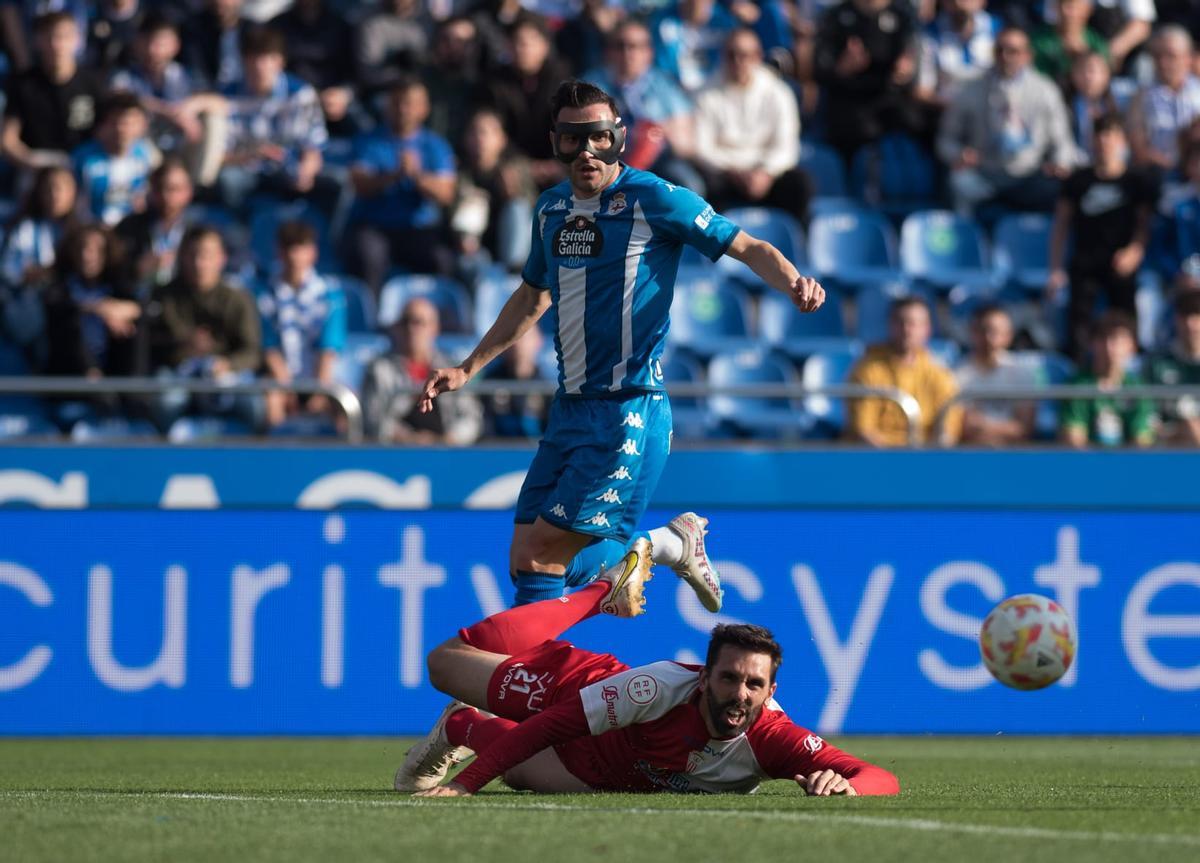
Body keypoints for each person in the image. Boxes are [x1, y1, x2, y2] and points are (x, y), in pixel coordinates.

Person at [419, 79, 825, 610]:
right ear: (555, 142)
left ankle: (659, 547)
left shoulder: (654, 198)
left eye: (598, 137)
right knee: (526, 561)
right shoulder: (550, 209)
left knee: (546, 553)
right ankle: (534, 684)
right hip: (570, 408)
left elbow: (746, 245)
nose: (586, 151)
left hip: (627, 407)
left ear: (619, 137)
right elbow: (531, 298)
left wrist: (795, 280)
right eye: (571, 139)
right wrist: (468, 368)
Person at [394, 571, 900, 796]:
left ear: (770, 692)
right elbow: (549, 725)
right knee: (445, 662)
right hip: (578, 693)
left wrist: (849, 788)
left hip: (599, 772)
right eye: (728, 678)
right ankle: (600, 592)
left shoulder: (773, 739)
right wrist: (463, 787)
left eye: (753, 685)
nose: (739, 694)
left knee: (521, 776)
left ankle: (461, 725)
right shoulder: (655, 689)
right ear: (703, 679)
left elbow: (881, 777)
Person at [1048, 112, 1156, 362]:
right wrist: (1055, 268)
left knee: (1126, 322)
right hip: (1085, 263)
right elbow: (1061, 225)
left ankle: (1130, 371)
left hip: (1120, 264)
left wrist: (1134, 252)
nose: (1105, 142)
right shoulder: (1078, 180)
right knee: (1078, 326)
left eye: (1112, 136)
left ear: (1122, 142)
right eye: (1100, 136)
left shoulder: (1136, 181)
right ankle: (1079, 373)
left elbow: (1143, 224)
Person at [937, 27, 1078, 216]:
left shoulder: (1045, 90)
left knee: (1061, 188)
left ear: (1027, 55)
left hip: (1030, 174)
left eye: (1013, 51)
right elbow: (946, 139)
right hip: (985, 172)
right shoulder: (970, 89)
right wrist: (958, 155)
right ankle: (968, 241)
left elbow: (1062, 141)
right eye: (1000, 50)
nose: (1005, 56)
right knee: (959, 182)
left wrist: (1060, 164)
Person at [345, 77, 457, 291]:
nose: (404, 109)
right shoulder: (368, 141)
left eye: (411, 103)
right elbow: (359, 185)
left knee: (442, 261)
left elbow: (446, 193)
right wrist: (394, 175)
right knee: (366, 257)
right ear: (387, 106)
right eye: (397, 102)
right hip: (375, 226)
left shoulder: (436, 146)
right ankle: (370, 320)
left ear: (424, 109)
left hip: (419, 228)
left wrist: (417, 176)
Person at [150, 225, 262, 427]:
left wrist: (228, 365)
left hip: (227, 372)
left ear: (222, 258)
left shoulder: (237, 299)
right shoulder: (164, 296)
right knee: (166, 402)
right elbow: (152, 344)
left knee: (254, 405)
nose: (199, 263)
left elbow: (252, 351)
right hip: (178, 371)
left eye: (206, 256)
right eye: (192, 255)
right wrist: (185, 346)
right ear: (182, 257)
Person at [212, 26, 331, 214]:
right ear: (243, 61)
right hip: (246, 168)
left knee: (335, 184)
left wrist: (306, 171)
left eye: (267, 58)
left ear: (280, 61)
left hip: (288, 167)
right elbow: (217, 156)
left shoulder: (301, 94)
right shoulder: (227, 97)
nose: (260, 67)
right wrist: (252, 155)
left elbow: (313, 148)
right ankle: (238, 232)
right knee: (227, 181)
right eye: (253, 59)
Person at [692, 28, 806, 221]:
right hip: (726, 173)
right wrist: (734, 171)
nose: (737, 61)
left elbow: (787, 146)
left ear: (757, 56)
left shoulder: (778, 92)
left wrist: (766, 173)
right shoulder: (705, 93)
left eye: (744, 55)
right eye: (731, 55)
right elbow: (702, 147)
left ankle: (795, 245)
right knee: (703, 190)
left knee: (800, 185)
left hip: (767, 173)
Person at [583, 19, 704, 192]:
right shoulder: (591, 85)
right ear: (608, 51)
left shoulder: (665, 86)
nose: (627, 53)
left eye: (635, 46)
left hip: (660, 164)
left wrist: (662, 132)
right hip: (605, 162)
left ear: (648, 52)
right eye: (620, 46)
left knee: (689, 184)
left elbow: (686, 144)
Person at [257, 220, 346, 429]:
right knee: (271, 400)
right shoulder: (264, 294)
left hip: (323, 379)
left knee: (345, 406)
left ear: (313, 252)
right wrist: (287, 389)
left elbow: (329, 349)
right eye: (289, 247)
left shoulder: (330, 294)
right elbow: (269, 347)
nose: (294, 255)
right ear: (279, 251)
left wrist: (319, 391)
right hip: (282, 380)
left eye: (301, 247)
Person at [813, 0, 926, 162]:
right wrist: (841, 68)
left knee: (915, 123)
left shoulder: (902, 16)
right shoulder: (836, 16)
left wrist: (905, 72)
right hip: (848, 101)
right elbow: (819, 69)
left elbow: (912, 58)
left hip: (890, 99)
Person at [362, 297, 482, 445]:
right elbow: (372, 418)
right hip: (396, 454)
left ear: (434, 328)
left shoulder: (452, 369)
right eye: (405, 322)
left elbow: (471, 417)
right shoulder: (379, 370)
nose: (411, 329)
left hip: (447, 454)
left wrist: (448, 440)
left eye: (418, 322)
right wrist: (409, 439)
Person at [847, 296, 963, 446]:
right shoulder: (867, 369)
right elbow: (864, 430)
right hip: (878, 459)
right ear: (890, 325)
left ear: (927, 329)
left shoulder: (940, 374)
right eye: (900, 322)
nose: (906, 330)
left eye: (914, 323)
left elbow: (948, 428)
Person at [1, 11, 107, 174]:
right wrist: (35, 164)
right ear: (37, 41)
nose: (57, 45)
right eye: (49, 37)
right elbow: (8, 140)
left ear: (77, 40)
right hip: (37, 166)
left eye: (64, 37)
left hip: (84, 164)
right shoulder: (23, 84)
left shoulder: (94, 82)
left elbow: (107, 130)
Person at [1060, 310, 1156, 447]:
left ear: (1132, 346)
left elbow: (1142, 442)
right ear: (1091, 344)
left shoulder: (1138, 388)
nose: (1109, 347)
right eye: (1102, 339)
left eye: (1117, 339)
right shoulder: (1077, 386)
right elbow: (1075, 441)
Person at [955, 303, 1037, 445]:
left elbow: (1024, 429)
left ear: (1008, 335)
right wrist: (1006, 429)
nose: (988, 337)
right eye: (983, 330)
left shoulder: (1023, 372)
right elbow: (963, 428)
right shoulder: (957, 374)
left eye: (995, 331)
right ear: (972, 332)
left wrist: (983, 426)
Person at [73, 91, 159, 226]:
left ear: (142, 125)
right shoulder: (82, 158)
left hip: (133, 233)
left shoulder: (148, 157)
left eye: (129, 123)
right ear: (103, 125)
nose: (121, 129)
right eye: (115, 122)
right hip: (92, 231)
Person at [1127, 26, 1200, 175]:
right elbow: (1138, 147)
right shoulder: (1141, 97)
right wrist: (1172, 167)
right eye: (1157, 56)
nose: (1163, 63)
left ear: (1188, 58)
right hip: (1158, 175)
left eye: (1171, 56)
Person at [115, 156, 195, 291]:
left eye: (173, 189)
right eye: (160, 188)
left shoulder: (197, 231)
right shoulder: (129, 227)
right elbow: (115, 273)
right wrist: (139, 267)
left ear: (188, 192)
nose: (166, 196)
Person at [1146, 291, 1200, 445]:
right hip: (1166, 449)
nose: (1191, 324)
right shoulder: (1156, 362)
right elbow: (1146, 417)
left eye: (1197, 316)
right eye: (1185, 317)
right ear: (1176, 320)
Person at [1031, 0, 1109, 87]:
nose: (1065, 11)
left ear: (1087, 10)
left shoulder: (1096, 43)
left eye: (1071, 6)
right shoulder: (1039, 40)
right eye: (1061, 4)